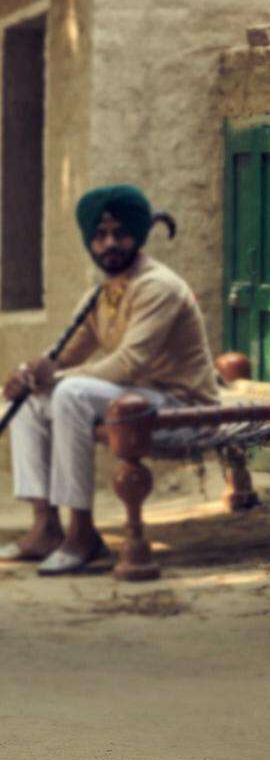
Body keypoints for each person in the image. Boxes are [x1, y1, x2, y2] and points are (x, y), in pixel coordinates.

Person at [0, 184, 220, 576]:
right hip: (134, 399)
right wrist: (27, 374)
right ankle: (45, 527)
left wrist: (53, 377)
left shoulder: (158, 286)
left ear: (138, 235)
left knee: (69, 392)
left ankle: (81, 534)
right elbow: (63, 355)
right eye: (100, 235)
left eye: (121, 233)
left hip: (181, 405)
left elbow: (128, 363)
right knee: (30, 398)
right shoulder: (99, 295)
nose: (110, 244)